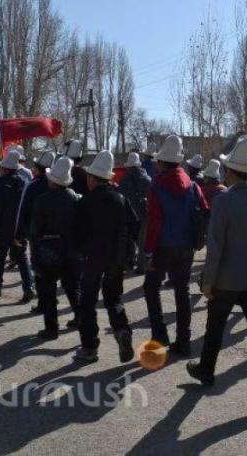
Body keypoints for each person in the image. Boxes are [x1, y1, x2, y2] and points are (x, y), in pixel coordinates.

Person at [187, 136, 247, 406]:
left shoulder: (223, 201)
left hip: (226, 278)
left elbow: (215, 246)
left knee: (215, 327)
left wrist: (208, 281)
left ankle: (206, 370)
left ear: (229, 171)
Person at [142, 134, 208, 356]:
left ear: (163, 162)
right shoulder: (192, 185)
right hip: (186, 245)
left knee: (151, 287)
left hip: (163, 246)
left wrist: (148, 252)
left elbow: (154, 222)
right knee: (182, 291)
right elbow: (204, 210)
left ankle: (160, 335)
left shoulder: (157, 186)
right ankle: (183, 341)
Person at [73, 150, 138, 364]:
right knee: (113, 298)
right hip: (115, 258)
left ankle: (89, 346)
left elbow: (76, 232)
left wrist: (77, 252)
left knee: (87, 301)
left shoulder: (85, 202)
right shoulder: (121, 199)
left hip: (92, 257)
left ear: (93, 178)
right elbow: (135, 226)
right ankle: (121, 329)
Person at [29, 156, 82, 340]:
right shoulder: (76, 198)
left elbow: (35, 231)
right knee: (73, 288)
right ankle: (81, 319)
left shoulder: (42, 200)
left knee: (48, 291)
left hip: (49, 251)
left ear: (52, 180)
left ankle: (51, 329)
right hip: (72, 251)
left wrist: (34, 255)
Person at [0, 150, 34, 302]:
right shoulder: (24, 183)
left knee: (0, 257)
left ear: (5, 168)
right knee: (22, 258)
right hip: (18, 228)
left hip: (3, 228)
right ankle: (28, 287)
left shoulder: (0, 183)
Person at [14, 150, 56, 312]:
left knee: (39, 269)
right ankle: (50, 300)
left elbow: (23, 210)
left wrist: (19, 234)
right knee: (52, 269)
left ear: (38, 168)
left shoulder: (32, 186)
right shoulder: (58, 186)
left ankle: (43, 303)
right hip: (57, 235)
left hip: (36, 234)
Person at [118, 151, 152, 275]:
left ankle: (129, 261)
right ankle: (142, 265)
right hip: (144, 213)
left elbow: (121, 196)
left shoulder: (125, 180)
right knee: (142, 241)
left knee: (130, 238)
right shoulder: (148, 179)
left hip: (129, 213)